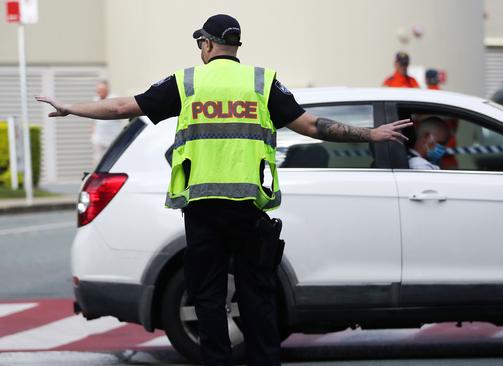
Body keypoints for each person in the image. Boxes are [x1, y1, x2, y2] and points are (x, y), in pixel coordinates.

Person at [35, 14, 411, 366]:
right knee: (257, 296)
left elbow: (121, 107)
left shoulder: (187, 82)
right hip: (248, 209)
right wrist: (370, 134)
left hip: (202, 210)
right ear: (236, 45)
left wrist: (70, 107)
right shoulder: (262, 82)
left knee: (208, 300)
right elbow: (312, 126)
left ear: (207, 44)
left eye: (200, 42)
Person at [91, 80, 123, 165]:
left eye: (101, 91)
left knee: (112, 160)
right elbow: (93, 121)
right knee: (98, 161)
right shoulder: (95, 100)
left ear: (107, 90)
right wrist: (93, 135)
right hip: (99, 137)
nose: (99, 93)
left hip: (112, 136)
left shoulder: (114, 98)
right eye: (98, 91)